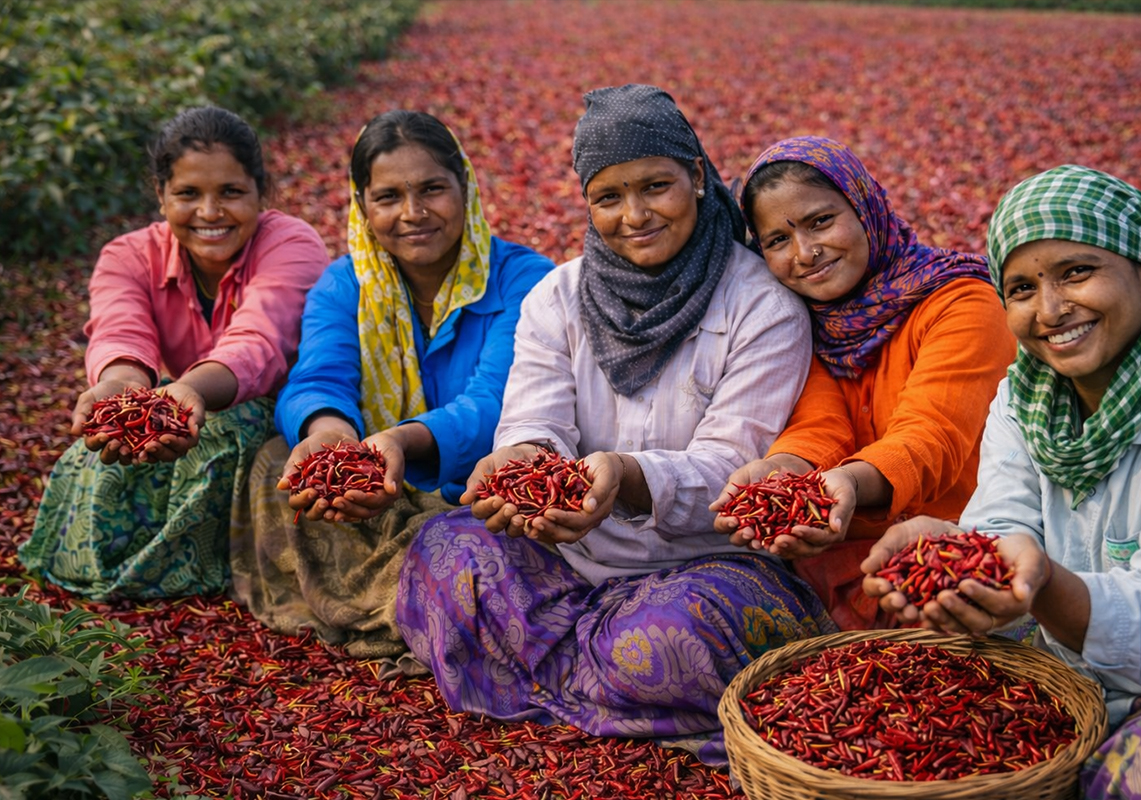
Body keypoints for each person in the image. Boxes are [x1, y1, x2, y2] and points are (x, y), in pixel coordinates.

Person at [396, 85, 835, 763]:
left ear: (697, 176)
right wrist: (523, 459)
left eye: (656, 186)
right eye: (608, 197)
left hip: (705, 565)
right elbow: (535, 415)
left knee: (667, 636)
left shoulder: (762, 305)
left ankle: (556, 680)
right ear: (587, 203)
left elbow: (733, 467)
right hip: (568, 554)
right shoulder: (558, 297)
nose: (635, 216)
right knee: (444, 550)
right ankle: (609, 691)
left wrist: (625, 477)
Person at [862, 165, 1141, 798]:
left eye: (1077, 272)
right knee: (903, 714)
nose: (1051, 310)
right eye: (1022, 288)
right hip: (1072, 673)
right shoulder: (1023, 403)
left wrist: (1043, 582)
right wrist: (954, 548)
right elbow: (1001, 528)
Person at [229, 110, 554, 663]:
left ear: (466, 186)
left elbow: (496, 401)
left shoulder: (523, 279)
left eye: (432, 189)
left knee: (488, 531)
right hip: (375, 485)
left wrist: (399, 442)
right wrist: (330, 434)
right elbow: (318, 376)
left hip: (472, 486)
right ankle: (414, 609)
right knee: (274, 462)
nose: (413, 213)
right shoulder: (345, 283)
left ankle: (421, 606)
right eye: (388, 197)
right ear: (362, 204)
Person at [19, 106, 329, 598]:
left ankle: (200, 570)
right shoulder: (128, 256)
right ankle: (106, 570)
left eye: (231, 192)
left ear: (261, 192)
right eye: (188, 194)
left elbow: (260, 338)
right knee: (97, 452)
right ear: (161, 195)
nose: (210, 212)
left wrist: (188, 391)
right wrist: (120, 387)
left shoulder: (290, 243)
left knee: (219, 434)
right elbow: (120, 331)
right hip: (180, 394)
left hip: (279, 407)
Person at [710, 136, 1014, 630]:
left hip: (953, 552)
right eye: (777, 240)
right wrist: (783, 470)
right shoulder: (802, 317)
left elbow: (932, 434)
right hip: (838, 559)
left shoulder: (963, 303)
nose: (806, 252)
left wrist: (849, 482)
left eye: (820, 221)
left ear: (864, 207)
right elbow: (819, 423)